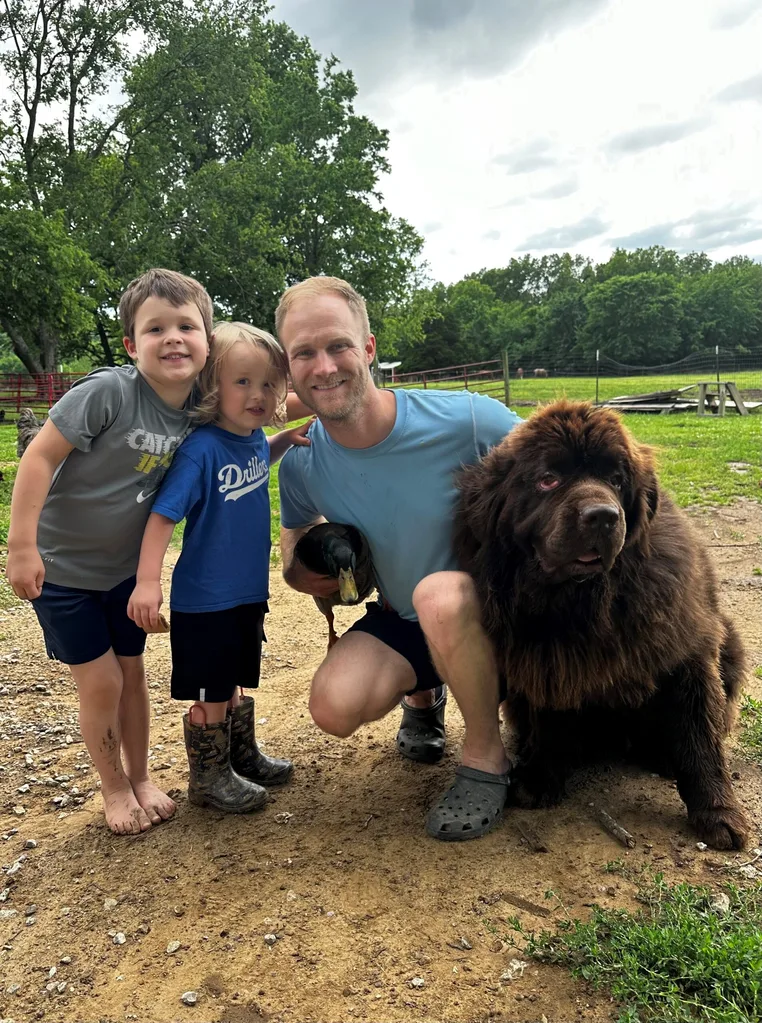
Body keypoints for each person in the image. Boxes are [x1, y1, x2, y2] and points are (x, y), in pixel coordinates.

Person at [275, 276, 522, 841]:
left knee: (439, 594)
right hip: (404, 618)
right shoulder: (301, 461)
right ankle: (425, 693)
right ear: (290, 370)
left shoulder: (470, 421)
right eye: (304, 353)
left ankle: (486, 758)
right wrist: (305, 569)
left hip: (498, 615)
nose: (324, 366)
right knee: (334, 709)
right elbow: (292, 545)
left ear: (368, 348)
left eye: (338, 345)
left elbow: (564, 466)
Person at [5, 268, 212, 835]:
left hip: (123, 572)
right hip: (65, 570)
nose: (172, 337)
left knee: (133, 675)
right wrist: (21, 545)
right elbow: (40, 458)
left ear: (207, 341)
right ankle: (113, 787)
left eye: (186, 326)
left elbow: (261, 393)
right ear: (131, 344)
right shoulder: (108, 392)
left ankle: (141, 776)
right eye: (155, 328)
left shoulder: (198, 405)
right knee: (101, 684)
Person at [127, 323, 311, 813]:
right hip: (206, 598)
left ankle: (240, 757)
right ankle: (208, 780)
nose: (259, 394)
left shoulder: (252, 438)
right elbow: (164, 515)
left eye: (269, 383)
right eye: (243, 382)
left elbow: (255, 462)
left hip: (246, 591)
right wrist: (148, 581)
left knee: (234, 678)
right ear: (212, 387)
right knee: (210, 692)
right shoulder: (201, 449)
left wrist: (284, 441)